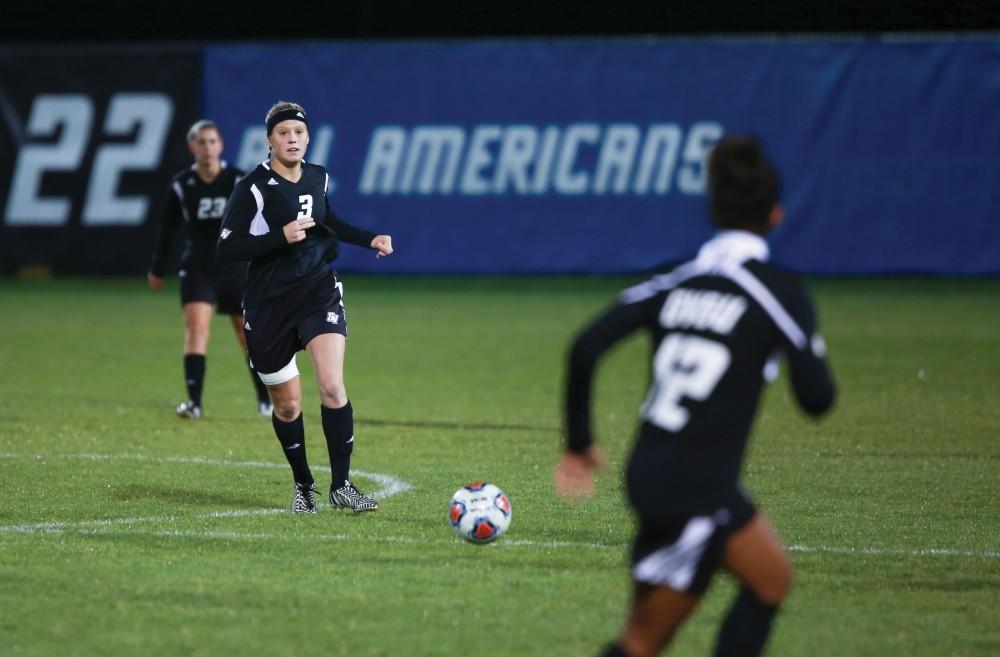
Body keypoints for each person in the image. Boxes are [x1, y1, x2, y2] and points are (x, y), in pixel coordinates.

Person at [555, 135, 835, 657]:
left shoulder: (674, 281)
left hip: (658, 472)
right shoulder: (779, 292)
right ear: (776, 214)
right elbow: (818, 399)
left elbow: (585, 347)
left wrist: (579, 444)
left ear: (712, 210)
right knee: (649, 639)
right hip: (695, 488)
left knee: (764, 581)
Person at [217, 100, 394, 514]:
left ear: (308, 137)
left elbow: (327, 217)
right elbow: (227, 247)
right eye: (283, 133)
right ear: (269, 141)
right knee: (288, 405)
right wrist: (280, 236)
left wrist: (371, 238)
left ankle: (342, 485)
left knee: (332, 386)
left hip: (316, 291)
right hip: (267, 304)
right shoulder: (253, 188)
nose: (292, 139)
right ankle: (304, 485)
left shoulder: (318, 176)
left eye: (298, 132)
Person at [148, 120, 273, 420]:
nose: (207, 147)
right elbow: (168, 228)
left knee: (248, 337)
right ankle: (194, 403)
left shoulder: (238, 180)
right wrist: (157, 267)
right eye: (201, 142)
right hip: (198, 267)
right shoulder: (182, 185)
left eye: (212, 141)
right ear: (192, 147)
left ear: (221, 145)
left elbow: (262, 220)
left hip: (236, 269)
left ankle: (266, 401)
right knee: (196, 330)